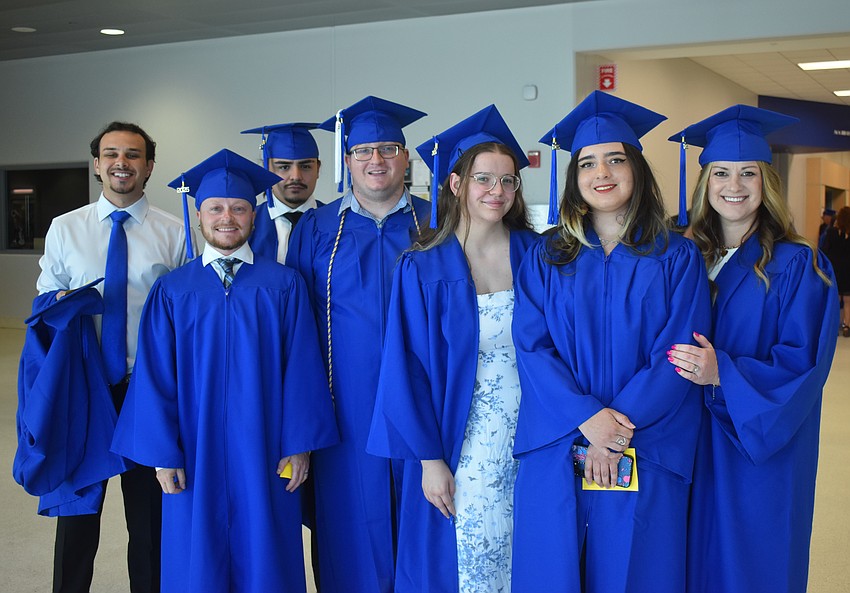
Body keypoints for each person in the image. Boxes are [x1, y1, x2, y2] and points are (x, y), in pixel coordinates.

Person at [110, 149, 339, 593]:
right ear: (199, 215)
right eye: (215, 208)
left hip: (267, 446)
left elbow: (303, 369)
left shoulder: (284, 284)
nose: (227, 218)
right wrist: (163, 454)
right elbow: (155, 378)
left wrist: (300, 445)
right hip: (195, 450)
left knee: (267, 549)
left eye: (238, 208)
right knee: (197, 555)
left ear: (254, 216)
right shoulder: (173, 291)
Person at [510, 91, 712, 592]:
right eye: (588, 163)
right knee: (553, 571)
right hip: (559, 437)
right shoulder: (546, 255)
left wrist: (616, 433)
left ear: (637, 170)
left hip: (647, 441)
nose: (602, 173)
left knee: (637, 571)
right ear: (574, 178)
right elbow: (532, 348)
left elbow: (679, 353)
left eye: (616, 160)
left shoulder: (676, 257)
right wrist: (588, 419)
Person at [667, 105, 838, 593]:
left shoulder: (800, 264)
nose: (733, 184)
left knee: (753, 558)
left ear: (767, 182)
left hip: (757, 440)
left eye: (748, 173)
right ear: (705, 182)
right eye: (720, 172)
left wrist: (725, 374)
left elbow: (803, 363)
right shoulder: (683, 256)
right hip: (688, 436)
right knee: (686, 553)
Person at [366, 105, 538, 592]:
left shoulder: (536, 255)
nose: (497, 192)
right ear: (456, 184)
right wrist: (429, 459)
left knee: (528, 551)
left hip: (533, 435)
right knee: (469, 557)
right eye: (484, 179)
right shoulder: (421, 267)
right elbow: (407, 369)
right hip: (459, 440)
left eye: (508, 182)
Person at [31, 121, 190, 593]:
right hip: (85, 392)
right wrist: (62, 301)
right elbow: (44, 303)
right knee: (77, 519)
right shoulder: (66, 228)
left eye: (134, 155)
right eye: (111, 154)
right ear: (97, 164)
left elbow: (184, 316)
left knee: (149, 523)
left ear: (150, 166)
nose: (122, 162)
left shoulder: (174, 233)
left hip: (145, 393)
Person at [286, 95, 430, 593]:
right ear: (347, 159)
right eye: (363, 150)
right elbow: (296, 327)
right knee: (349, 527)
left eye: (389, 148)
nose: (376, 159)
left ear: (406, 157)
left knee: (425, 516)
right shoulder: (315, 228)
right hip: (344, 404)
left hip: (425, 400)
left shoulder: (437, 223)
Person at [241, 122, 325, 262]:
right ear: (266, 170)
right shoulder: (246, 225)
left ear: (317, 169)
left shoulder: (339, 223)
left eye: (305, 166)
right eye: (284, 167)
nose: (296, 176)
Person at [822, 205, 850, 336]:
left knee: (835, 300)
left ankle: (834, 327)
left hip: (835, 270)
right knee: (848, 301)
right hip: (848, 270)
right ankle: (847, 326)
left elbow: (824, 251)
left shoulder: (832, 232)